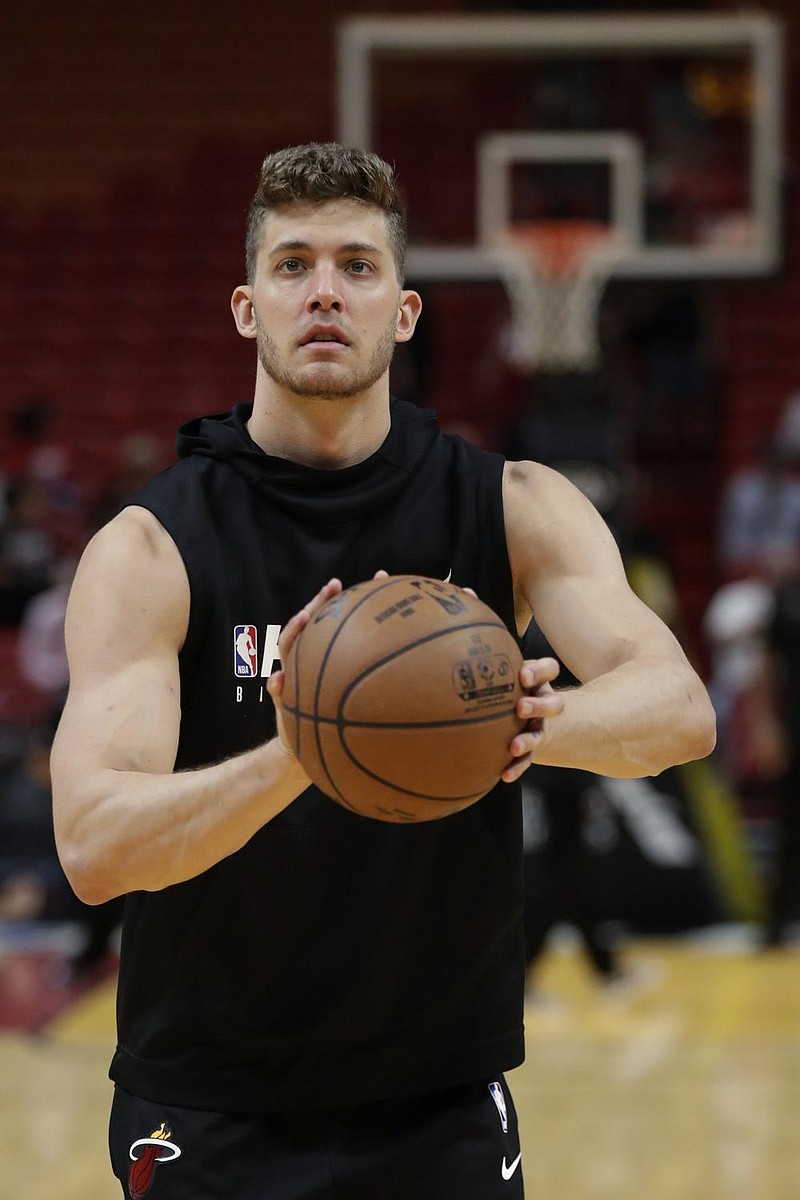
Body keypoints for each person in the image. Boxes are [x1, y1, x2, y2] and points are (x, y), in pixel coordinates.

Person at [51, 143, 716, 1200]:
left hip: (438, 1099)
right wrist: (300, 752)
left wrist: (522, 724)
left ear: (403, 312)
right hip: (213, 1104)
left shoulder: (510, 503)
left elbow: (677, 709)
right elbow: (92, 845)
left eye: (358, 266)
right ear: (244, 307)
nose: (325, 292)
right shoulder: (152, 548)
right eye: (293, 265)